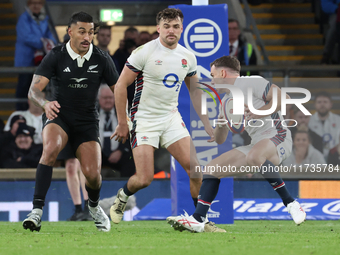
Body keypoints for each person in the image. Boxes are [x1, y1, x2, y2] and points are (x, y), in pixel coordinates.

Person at [166, 56, 306, 233]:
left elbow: (284, 98)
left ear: (223, 72)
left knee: (255, 155)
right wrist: (220, 125)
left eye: (213, 74)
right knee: (211, 169)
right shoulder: (225, 102)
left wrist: (258, 112)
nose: (211, 80)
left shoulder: (251, 82)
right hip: (257, 145)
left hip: (278, 136)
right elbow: (220, 140)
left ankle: (291, 203)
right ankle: (198, 219)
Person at [110, 8, 220, 232]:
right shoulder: (144, 52)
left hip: (170, 118)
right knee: (144, 178)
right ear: (158, 28)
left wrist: (207, 123)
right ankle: (122, 196)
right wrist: (123, 122)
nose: (171, 31)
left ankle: (199, 220)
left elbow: (196, 92)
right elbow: (121, 85)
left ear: (182, 29)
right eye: (167, 26)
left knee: (196, 170)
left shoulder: (187, 56)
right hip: (144, 119)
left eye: (176, 26)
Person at [22, 11, 119, 232]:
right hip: (59, 116)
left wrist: (124, 119)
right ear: (70, 32)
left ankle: (93, 206)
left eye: (91, 32)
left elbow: (119, 90)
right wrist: (45, 103)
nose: (87, 37)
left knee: (93, 175)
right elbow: (33, 91)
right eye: (82, 31)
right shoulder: (56, 55)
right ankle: (36, 211)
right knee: (50, 149)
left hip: (86, 121)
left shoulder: (102, 58)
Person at [14, 0, 57, 110]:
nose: (36, 5)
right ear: (28, 4)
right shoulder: (23, 19)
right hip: (26, 60)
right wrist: (43, 42)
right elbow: (26, 37)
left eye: (38, 3)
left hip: (40, 61)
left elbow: (52, 35)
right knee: (24, 87)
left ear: (42, 4)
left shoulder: (45, 19)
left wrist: (48, 41)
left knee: (39, 89)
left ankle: (38, 112)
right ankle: (21, 111)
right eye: (33, 3)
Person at [98, 85, 135, 178]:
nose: (108, 100)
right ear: (99, 99)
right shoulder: (92, 113)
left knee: (130, 160)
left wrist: (120, 150)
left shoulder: (124, 112)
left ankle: (126, 189)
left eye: (110, 97)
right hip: (97, 153)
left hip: (119, 153)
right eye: (105, 98)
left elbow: (131, 133)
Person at [308, 91, 340, 159]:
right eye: (319, 102)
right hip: (314, 157)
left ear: (331, 104)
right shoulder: (309, 121)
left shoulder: (338, 120)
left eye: (325, 102)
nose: (322, 104)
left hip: (335, 157)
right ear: (314, 105)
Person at [320, 0, 340, 64]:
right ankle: (326, 55)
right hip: (337, 11)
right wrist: (336, 9)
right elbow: (325, 3)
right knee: (334, 27)